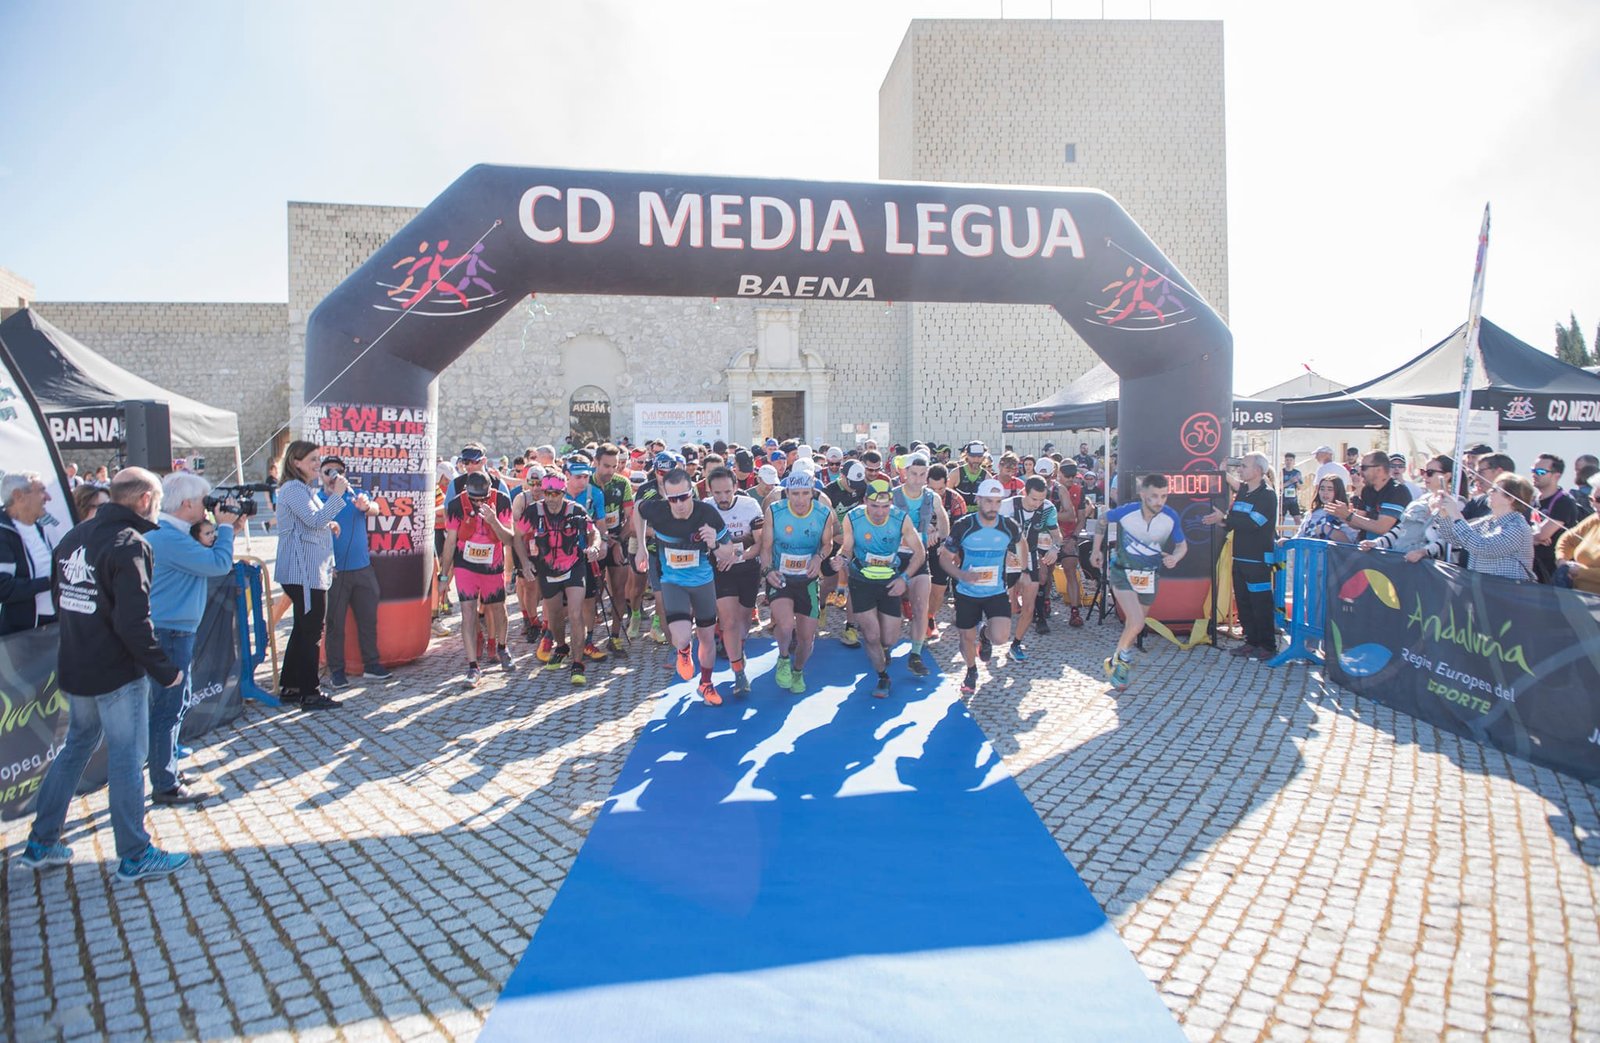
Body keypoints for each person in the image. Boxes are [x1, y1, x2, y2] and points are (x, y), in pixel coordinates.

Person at [20, 468, 190, 883]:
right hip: (115, 673)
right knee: (127, 757)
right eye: (157, 499)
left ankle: (41, 841)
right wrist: (165, 670)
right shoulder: (129, 544)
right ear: (145, 500)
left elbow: (63, 599)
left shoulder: (75, 536)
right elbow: (134, 623)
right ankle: (135, 853)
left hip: (78, 663)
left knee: (76, 746)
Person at [144, 471, 243, 805]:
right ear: (186, 503)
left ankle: (167, 769)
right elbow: (217, 565)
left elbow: (207, 559)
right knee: (168, 707)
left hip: (175, 627)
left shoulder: (173, 533)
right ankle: (165, 783)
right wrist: (225, 529)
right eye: (203, 502)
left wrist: (229, 531)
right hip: (170, 629)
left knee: (177, 702)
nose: (207, 508)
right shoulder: (168, 537)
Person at [633, 468, 735, 704]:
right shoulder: (657, 510)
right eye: (673, 499)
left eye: (684, 497)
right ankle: (683, 650)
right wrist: (641, 546)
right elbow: (637, 509)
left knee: (707, 637)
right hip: (673, 582)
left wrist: (714, 543)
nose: (679, 504)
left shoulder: (707, 513)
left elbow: (728, 552)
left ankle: (706, 684)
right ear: (665, 497)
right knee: (681, 637)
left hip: (703, 582)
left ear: (692, 492)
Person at [1092, 474, 1188, 691]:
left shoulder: (1170, 516)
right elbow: (1102, 519)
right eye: (1154, 496)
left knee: (1134, 625)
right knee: (1136, 623)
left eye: (1164, 496)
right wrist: (1096, 550)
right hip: (1122, 572)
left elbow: (1182, 545)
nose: (1159, 501)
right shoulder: (1128, 511)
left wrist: (1175, 557)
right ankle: (1122, 663)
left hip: (1149, 577)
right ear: (1143, 495)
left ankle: (1115, 660)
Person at [274, 441, 346, 709]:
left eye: (318, 458)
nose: (318, 464)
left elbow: (313, 520)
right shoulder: (293, 489)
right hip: (302, 572)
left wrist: (330, 522)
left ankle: (292, 686)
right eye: (312, 459)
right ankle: (309, 692)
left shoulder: (303, 489)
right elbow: (314, 520)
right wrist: (337, 496)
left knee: (303, 629)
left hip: (309, 570)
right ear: (296, 462)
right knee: (311, 631)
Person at [837, 478, 925, 699]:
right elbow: (846, 549)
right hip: (861, 581)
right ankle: (883, 676)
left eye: (885, 507)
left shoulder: (901, 518)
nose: (879, 512)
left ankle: (884, 650)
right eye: (875, 506)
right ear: (865, 501)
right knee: (871, 635)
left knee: (889, 639)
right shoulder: (853, 518)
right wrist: (840, 560)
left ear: (891, 504)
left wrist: (904, 578)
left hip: (890, 581)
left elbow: (920, 552)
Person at [517, 471, 603, 687]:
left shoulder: (576, 510)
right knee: (554, 616)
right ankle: (562, 647)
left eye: (556, 493)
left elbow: (594, 532)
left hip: (574, 566)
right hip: (547, 569)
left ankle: (578, 664)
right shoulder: (533, 511)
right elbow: (517, 536)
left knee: (575, 614)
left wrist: (594, 547)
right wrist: (524, 562)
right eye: (547, 493)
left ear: (563, 493)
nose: (551, 498)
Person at [940, 478, 1023, 696]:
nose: (993, 507)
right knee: (966, 638)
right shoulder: (964, 526)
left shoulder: (1008, 525)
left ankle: (985, 635)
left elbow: (1021, 541)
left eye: (997, 502)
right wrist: (961, 575)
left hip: (996, 591)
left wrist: (1022, 565)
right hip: (966, 592)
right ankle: (971, 671)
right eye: (988, 501)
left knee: (1001, 637)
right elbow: (944, 559)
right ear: (978, 500)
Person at [758, 473, 836, 695]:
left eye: (805, 493)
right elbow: (765, 547)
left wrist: (819, 558)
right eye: (795, 494)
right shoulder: (775, 511)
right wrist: (768, 571)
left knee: (807, 638)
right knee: (784, 625)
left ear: (812, 493)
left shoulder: (823, 513)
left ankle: (798, 670)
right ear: (787, 493)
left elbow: (828, 544)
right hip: (780, 577)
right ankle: (783, 658)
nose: (800, 500)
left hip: (807, 580)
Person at [319, 457, 393, 690]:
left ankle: (371, 665)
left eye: (338, 471)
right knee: (335, 624)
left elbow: (376, 509)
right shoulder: (317, 500)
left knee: (368, 620)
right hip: (334, 572)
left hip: (362, 568)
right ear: (320, 475)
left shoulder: (356, 494)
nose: (334, 475)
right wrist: (336, 495)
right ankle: (336, 671)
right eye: (328, 471)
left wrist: (366, 507)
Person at [1202, 453, 1278, 658]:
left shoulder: (1267, 495)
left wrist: (1225, 518)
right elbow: (1235, 519)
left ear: (1258, 471)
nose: (1241, 469)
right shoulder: (1244, 491)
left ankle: (1267, 646)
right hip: (1240, 557)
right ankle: (1251, 641)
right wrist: (1221, 520)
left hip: (1258, 559)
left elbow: (1253, 523)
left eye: (1244, 466)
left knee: (1260, 603)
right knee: (1244, 602)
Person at [442, 470, 515, 685]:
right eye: (474, 499)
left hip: (493, 565)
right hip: (466, 565)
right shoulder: (456, 505)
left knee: (498, 609)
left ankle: (502, 647)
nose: (478, 503)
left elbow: (509, 539)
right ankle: (473, 666)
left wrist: (494, 521)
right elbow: (450, 542)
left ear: (490, 491)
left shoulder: (502, 501)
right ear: (466, 492)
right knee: (468, 613)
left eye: (483, 498)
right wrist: (443, 577)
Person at [705, 466, 763, 696]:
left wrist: (737, 555)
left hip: (748, 567)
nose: (723, 498)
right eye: (717, 493)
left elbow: (760, 543)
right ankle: (738, 672)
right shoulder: (705, 508)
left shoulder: (750, 506)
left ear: (736, 487)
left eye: (728, 492)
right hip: (720, 570)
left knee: (743, 619)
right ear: (710, 491)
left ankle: (740, 647)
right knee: (728, 622)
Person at [891, 453, 949, 673]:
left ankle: (915, 655)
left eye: (922, 474)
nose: (917, 479)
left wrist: (942, 539)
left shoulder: (932, 497)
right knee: (891, 611)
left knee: (921, 606)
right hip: (894, 557)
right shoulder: (892, 495)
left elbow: (943, 519)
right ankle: (885, 646)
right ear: (905, 473)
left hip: (919, 556)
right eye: (913, 474)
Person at [999, 477, 1060, 662]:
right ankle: (986, 634)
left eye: (1041, 499)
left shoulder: (1048, 508)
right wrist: (1001, 552)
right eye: (1034, 499)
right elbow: (993, 534)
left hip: (1031, 556)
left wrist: (1055, 548)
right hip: (1008, 555)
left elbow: (1056, 535)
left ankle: (1016, 644)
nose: (1037, 503)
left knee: (1029, 606)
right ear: (1024, 492)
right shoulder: (1007, 506)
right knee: (1004, 606)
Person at [1431, 474, 1535, 582]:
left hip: (1508, 591)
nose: (1489, 491)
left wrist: (1455, 513)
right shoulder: (1488, 521)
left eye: (1495, 490)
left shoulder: (1518, 528)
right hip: (1484, 589)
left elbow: (1481, 546)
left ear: (1510, 499)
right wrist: (1444, 515)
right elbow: (1455, 538)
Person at [1358, 456, 1457, 563]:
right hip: (1406, 562)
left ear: (1447, 476)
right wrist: (1377, 543)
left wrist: (1423, 552)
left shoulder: (1456, 505)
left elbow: (1450, 539)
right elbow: (1403, 528)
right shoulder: (1423, 500)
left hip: (1433, 568)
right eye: (1423, 472)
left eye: (1430, 473)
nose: (1424, 476)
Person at [0, 472, 57, 635]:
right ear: (18, 496)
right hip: (23, 634)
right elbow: (3, 587)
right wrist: (51, 581)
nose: (48, 497)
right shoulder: (3, 533)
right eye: (41, 491)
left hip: (54, 623)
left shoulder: (40, 527)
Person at [1327, 451, 1411, 540]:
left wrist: (1349, 515)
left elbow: (1381, 528)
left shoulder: (1397, 491)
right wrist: (1342, 514)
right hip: (1365, 544)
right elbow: (1356, 524)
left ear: (1379, 470)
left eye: (1363, 468)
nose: (1360, 472)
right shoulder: (1367, 490)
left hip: (1389, 547)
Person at [1530, 454, 1583, 583]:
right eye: (1533, 470)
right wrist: (1533, 538)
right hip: (1534, 569)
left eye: (1540, 472)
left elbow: (1543, 534)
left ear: (1556, 476)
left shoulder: (1563, 501)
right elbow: (1533, 533)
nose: (1534, 474)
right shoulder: (1534, 500)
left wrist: (1534, 538)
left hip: (1553, 572)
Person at [1553, 474, 1600, 593]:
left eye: (1599, 499)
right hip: (1578, 596)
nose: (1594, 505)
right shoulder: (1594, 520)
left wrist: (1579, 572)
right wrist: (1562, 561)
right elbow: (1567, 539)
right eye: (1591, 499)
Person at [1296, 475, 1358, 543]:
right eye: (1322, 489)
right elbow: (1299, 536)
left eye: (1330, 489)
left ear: (1338, 491)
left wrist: (1326, 529)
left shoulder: (1345, 514)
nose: (1325, 493)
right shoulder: (1311, 513)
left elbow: (1350, 541)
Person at [1281, 453, 1304, 521]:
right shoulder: (1281, 472)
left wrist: (1296, 482)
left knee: (1298, 519)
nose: (1289, 462)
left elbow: (1300, 488)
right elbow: (1279, 487)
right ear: (1285, 461)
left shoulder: (1297, 473)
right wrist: (1290, 482)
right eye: (1287, 460)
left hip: (1293, 500)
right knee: (1281, 519)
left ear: (1294, 462)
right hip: (1283, 500)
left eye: (1291, 460)